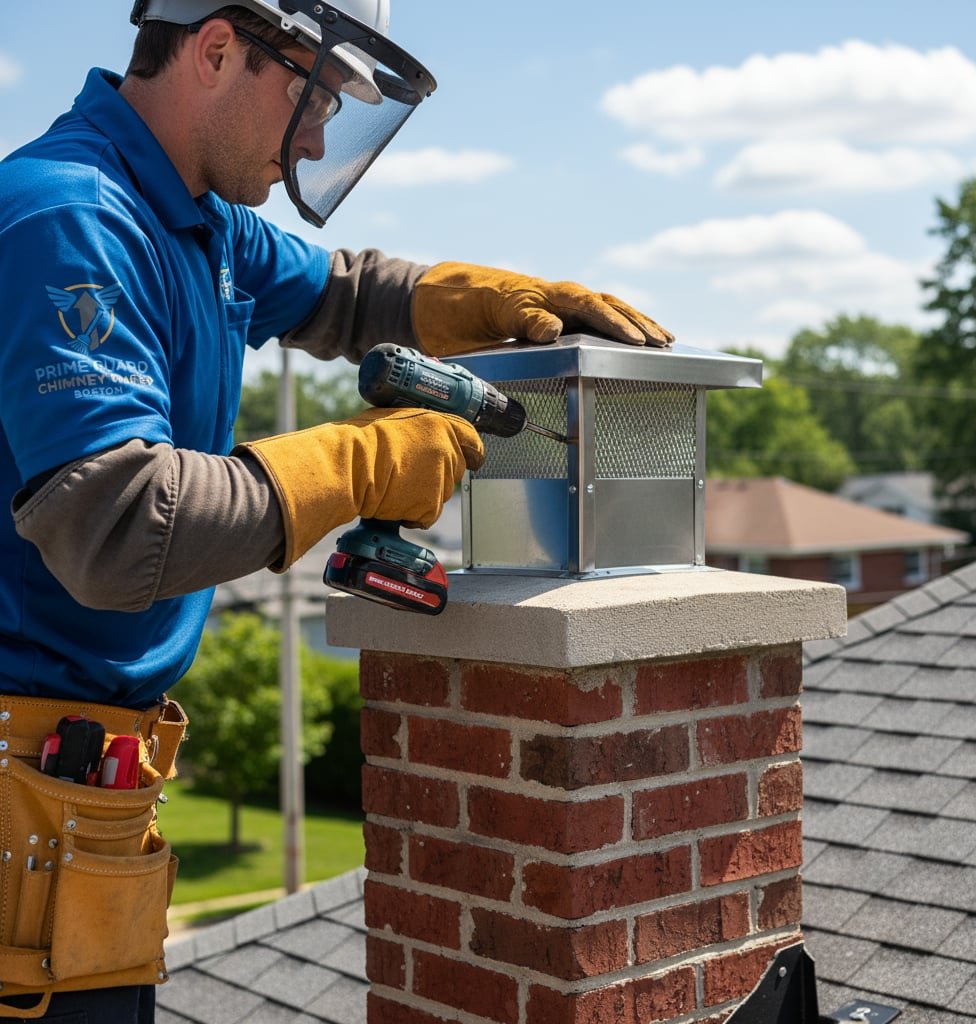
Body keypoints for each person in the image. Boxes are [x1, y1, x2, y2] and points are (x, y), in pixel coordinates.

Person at [0, 1, 673, 1019]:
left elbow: (346, 295)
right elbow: (116, 527)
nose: (317, 140)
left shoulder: (198, 219)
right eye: (311, 100)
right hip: (23, 794)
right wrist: (363, 461)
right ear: (217, 47)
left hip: (79, 790)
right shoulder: (70, 217)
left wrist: (486, 298)